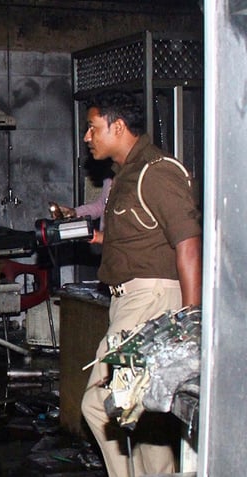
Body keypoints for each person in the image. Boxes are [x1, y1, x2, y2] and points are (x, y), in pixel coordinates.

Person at [78, 91, 202, 477]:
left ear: (117, 126)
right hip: (130, 300)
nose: (87, 136)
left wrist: (189, 323)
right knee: (145, 413)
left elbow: (189, 245)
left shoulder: (156, 170)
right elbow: (142, 239)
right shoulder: (126, 175)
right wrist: (97, 240)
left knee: (100, 404)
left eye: (93, 127)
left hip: (150, 301)